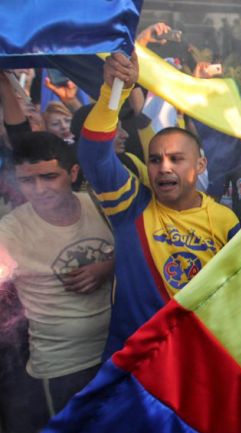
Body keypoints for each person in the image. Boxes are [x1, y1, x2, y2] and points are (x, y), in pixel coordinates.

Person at [78, 52, 240, 358]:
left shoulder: (225, 220)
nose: (164, 168)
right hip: (133, 371)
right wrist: (114, 92)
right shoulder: (130, 207)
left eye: (176, 159)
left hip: (195, 366)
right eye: (155, 159)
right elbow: (93, 156)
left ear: (201, 165)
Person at [0, 132, 114, 425]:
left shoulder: (100, 206)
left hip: (115, 354)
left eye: (50, 177)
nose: (39, 189)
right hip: (62, 369)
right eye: (27, 180)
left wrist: (108, 267)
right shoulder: (11, 230)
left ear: (73, 173)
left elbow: (139, 252)